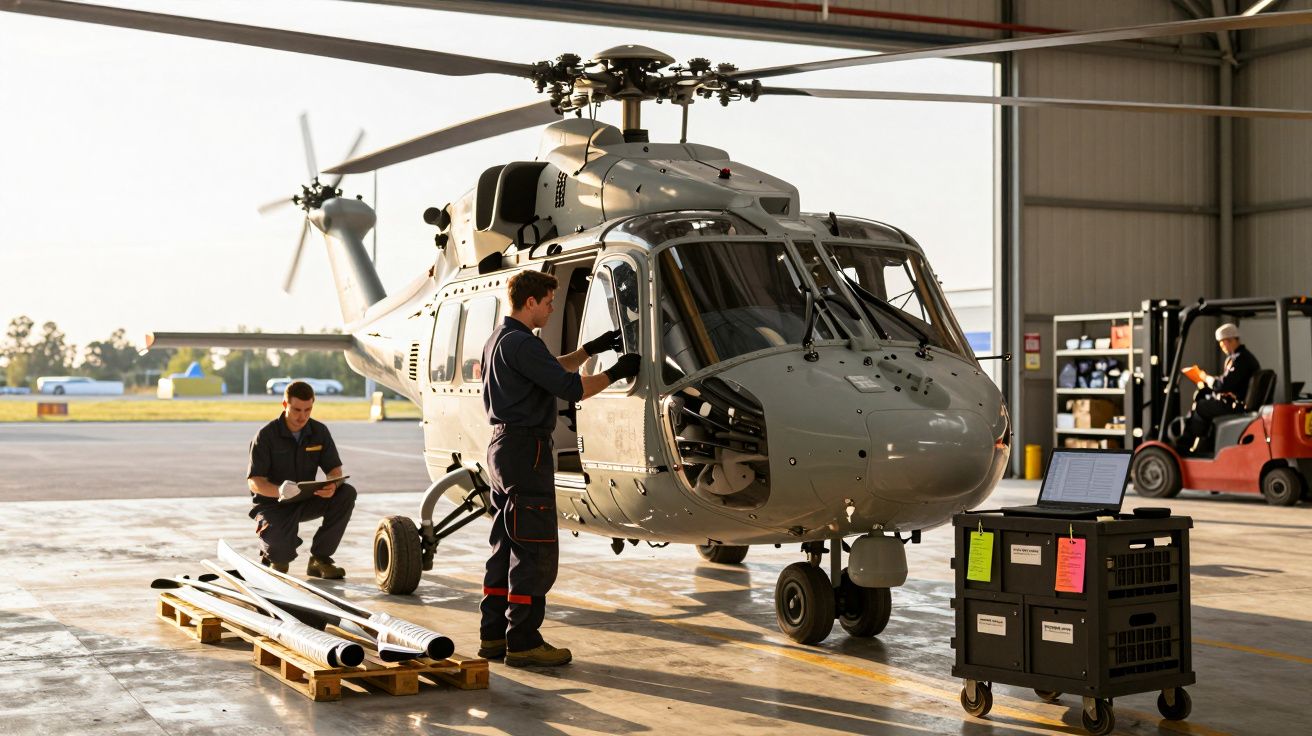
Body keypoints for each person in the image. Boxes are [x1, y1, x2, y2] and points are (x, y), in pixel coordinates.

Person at [478, 269, 641, 668]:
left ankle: (494, 638)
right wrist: (617, 372)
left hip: (503, 449)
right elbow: (574, 389)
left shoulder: (501, 339)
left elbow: (549, 367)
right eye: (549, 302)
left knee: (506, 544)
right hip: (526, 450)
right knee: (534, 549)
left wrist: (589, 349)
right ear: (530, 302)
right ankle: (525, 641)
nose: (552, 309)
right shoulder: (522, 343)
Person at [246, 380, 356, 578]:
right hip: (273, 505)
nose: (302, 416)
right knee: (281, 565)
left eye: (308, 410)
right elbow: (254, 481)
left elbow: (334, 469)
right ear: (284, 405)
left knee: (346, 493)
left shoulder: (319, 432)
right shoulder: (265, 436)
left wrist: (332, 483)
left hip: (305, 500)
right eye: (296, 410)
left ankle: (319, 559)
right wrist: (279, 491)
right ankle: (271, 555)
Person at [1177, 323, 1260, 455]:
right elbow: (1228, 382)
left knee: (1201, 406)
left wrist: (1205, 378)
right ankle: (1202, 447)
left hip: (1236, 405)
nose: (1222, 348)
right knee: (1203, 397)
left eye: (1222, 344)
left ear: (1231, 340)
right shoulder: (1238, 358)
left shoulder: (1242, 360)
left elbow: (1223, 385)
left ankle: (1184, 446)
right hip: (1234, 400)